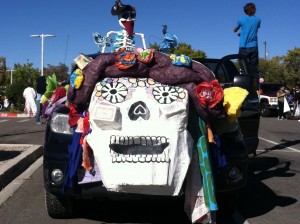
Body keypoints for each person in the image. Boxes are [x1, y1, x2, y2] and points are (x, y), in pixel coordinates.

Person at [233, 3, 261, 77]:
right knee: (254, 68)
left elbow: (234, 30)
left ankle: (245, 83)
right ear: (254, 10)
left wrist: (240, 34)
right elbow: (254, 29)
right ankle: (255, 85)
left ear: (245, 10)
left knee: (243, 68)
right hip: (253, 46)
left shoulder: (240, 19)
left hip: (243, 46)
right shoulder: (258, 19)